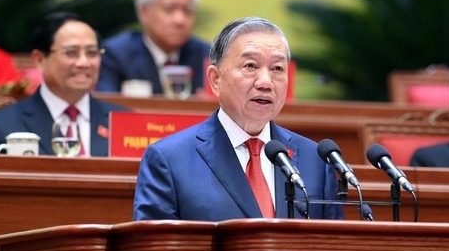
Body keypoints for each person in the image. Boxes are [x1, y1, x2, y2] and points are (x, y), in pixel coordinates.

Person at [133, 16, 343, 221]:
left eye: (277, 69)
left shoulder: (316, 161)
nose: (265, 82)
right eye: (250, 66)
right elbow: (153, 244)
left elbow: (333, 243)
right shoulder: (169, 159)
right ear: (215, 79)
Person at [0, 12, 130, 156]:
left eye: (92, 53)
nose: (83, 63)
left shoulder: (125, 122)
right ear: (40, 60)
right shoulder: (0, 126)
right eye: (71, 53)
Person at [96, 0, 210, 95]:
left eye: (187, 10)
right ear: (144, 12)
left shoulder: (208, 57)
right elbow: (105, 103)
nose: (180, 20)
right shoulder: (115, 55)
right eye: (169, 9)